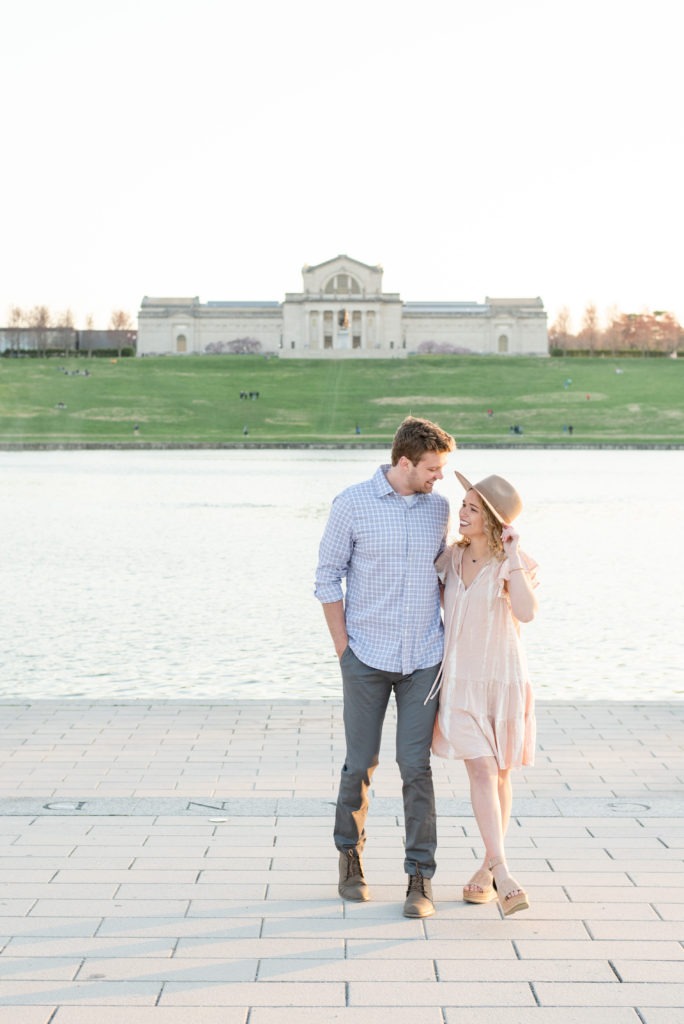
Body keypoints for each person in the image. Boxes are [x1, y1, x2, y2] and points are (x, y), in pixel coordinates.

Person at [315, 416, 456, 918]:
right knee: (361, 762)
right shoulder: (351, 504)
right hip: (366, 658)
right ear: (405, 463)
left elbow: (450, 575)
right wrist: (343, 649)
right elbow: (327, 577)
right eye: (433, 468)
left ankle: (420, 876)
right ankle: (349, 857)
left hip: (423, 658)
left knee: (415, 767)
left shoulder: (438, 509)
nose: (439, 477)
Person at [426, 472, 538, 916]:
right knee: (482, 770)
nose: (463, 512)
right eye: (464, 504)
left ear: (491, 520)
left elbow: (527, 614)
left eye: (472, 507)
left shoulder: (515, 562)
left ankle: (487, 868)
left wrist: (511, 553)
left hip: (503, 681)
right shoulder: (449, 561)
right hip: (460, 684)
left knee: (501, 775)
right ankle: (505, 872)